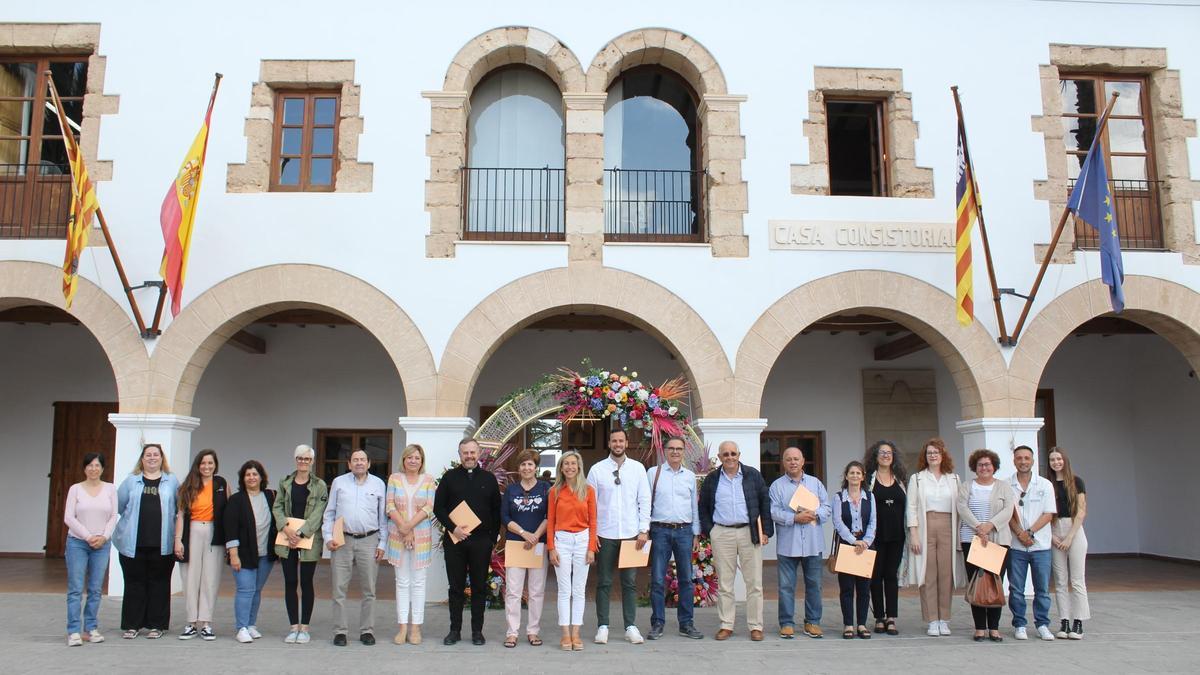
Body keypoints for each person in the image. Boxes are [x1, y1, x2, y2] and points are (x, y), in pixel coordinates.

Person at [700, 440, 773, 642]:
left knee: (755, 583)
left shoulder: (753, 475)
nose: (730, 457)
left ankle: (756, 626)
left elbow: (764, 502)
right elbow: (703, 507)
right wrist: (711, 531)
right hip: (722, 533)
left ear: (739, 455)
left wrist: (765, 530)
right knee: (725, 583)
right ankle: (726, 625)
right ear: (720, 456)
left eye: (733, 453)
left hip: (749, 533)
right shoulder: (712, 479)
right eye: (725, 454)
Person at [434, 438, 502, 647]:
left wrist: (491, 539)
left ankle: (477, 631)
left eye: (473, 452)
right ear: (460, 454)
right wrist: (454, 528)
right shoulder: (449, 478)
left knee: (479, 587)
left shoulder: (489, 479)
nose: (469, 456)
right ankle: (454, 630)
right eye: (465, 453)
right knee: (455, 587)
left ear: (479, 453)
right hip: (455, 540)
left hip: (481, 542)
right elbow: (439, 508)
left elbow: (496, 511)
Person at [586, 428, 651, 645]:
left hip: (632, 535)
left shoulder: (638, 469)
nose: (617, 444)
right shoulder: (597, 470)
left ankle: (630, 626)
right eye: (614, 440)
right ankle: (602, 626)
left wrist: (643, 529)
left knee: (630, 582)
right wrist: (592, 534)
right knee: (603, 581)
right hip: (605, 534)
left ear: (626, 442)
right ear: (609, 443)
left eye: (621, 440)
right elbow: (590, 504)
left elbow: (644, 499)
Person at [322, 448, 388, 646]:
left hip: (370, 540)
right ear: (349, 464)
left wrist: (382, 543)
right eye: (355, 460)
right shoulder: (339, 483)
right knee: (339, 588)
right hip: (342, 540)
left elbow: (382, 517)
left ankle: (367, 630)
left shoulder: (378, 484)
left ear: (369, 463)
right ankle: (340, 632)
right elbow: (329, 513)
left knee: (369, 589)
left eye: (362, 460)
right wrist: (327, 537)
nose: (359, 463)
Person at [114, 443, 179, 640]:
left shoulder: (172, 481)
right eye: (148, 455)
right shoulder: (131, 481)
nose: (152, 458)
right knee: (134, 584)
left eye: (156, 455)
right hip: (133, 544)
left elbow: (179, 508)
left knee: (159, 584)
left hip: (162, 545)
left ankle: (156, 625)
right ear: (142, 459)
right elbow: (119, 505)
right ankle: (132, 625)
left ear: (162, 458)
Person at [646, 436, 704, 640]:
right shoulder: (653, 473)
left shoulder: (689, 476)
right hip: (660, 530)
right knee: (658, 579)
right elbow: (645, 503)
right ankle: (658, 623)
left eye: (679, 449)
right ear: (664, 450)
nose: (675, 452)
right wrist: (645, 529)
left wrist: (696, 532)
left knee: (686, 580)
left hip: (684, 532)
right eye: (671, 448)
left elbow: (693, 506)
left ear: (683, 451)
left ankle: (686, 623)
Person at [769, 446, 829, 640]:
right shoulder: (777, 486)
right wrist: (795, 518)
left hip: (813, 544)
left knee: (815, 585)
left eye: (796, 458)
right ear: (783, 462)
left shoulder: (815, 484)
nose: (793, 462)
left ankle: (813, 622)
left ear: (803, 461)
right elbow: (773, 512)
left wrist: (813, 514)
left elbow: (827, 507)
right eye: (789, 459)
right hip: (788, 545)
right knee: (786, 586)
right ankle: (786, 623)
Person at [905, 437, 961, 637]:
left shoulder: (953, 479)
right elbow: (911, 507)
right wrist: (914, 534)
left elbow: (960, 506)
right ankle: (932, 619)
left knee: (946, 574)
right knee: (928, 574)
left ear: (943, 455)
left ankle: (944, 619)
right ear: (925, 456)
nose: (933, 456)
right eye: (929, 453)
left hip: (948, 526)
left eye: (936, 452)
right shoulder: (917, 479)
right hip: (925, 526)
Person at [957, 449, 1015, 642]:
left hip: (997, 540)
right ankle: (980, 627)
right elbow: (962, 507)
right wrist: (978, 527)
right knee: (976, 582)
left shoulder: (1004, 487)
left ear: (994, 467)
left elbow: (1008, 510)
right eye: (980, 464)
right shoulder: (967, 486)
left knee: (994, 583)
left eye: (988, 464)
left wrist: (989, 526)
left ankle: (995, 628)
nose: (984, 468)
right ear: (975, 467)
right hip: (972, 541)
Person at [273, 444, 328, 645]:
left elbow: (319, 512)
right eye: (300, 458)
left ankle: (304, 627)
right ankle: (293, 627)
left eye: (306, 459)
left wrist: (301, 532)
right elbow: (277, 506)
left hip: (308, 538)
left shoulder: (319, 485)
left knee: (306, 583)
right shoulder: (285, 482)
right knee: (289, 582)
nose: (303, 462)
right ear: (295, 460)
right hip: (286, 537)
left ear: (312, 461)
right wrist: (287, 529)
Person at [174, 449, 228, 641]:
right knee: (190, 577)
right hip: (192, 531)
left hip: (214, 532)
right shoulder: (187, 486)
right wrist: (178, 540)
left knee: (210, 578)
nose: (207, 467)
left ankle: (206, 622)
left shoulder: (221, 484)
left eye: (210, 463)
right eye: (203, 463)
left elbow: (227, 511)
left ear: (215, 465)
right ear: (198, 465)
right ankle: (190, 622)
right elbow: (180, 515)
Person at [63, 452, 117, 646]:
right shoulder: (75, 489)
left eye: (97, 465)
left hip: (102, 545)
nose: (94, 469)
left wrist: (103, 537)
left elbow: (113, 516)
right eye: (90, 465)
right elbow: (69, 517)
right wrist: (88, 536)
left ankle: (91, 628)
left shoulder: (110, 489)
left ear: (103, 468)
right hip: (78, 542)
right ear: (84, 468)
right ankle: (73, 631)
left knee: (95, 589)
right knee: (76, 588)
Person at [385, 444, 436, 646]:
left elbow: (429, 507)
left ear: (421, 461)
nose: (413, 460)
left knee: (418, 583)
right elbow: (390, 505)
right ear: (403, 460)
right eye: (409, 457)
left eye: (417, 457)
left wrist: (409, 528)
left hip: (420, 537)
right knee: (402, 582)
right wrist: (403, 528)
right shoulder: (394, 478)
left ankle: (416, 627)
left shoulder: (428, 480)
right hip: (398, 536)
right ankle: (402, 626)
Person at [546, 450, 597, 652]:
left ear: (579, 466)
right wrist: (551, 548)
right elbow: (551, 521)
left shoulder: (588, 490)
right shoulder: (555, 491)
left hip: (583, 540)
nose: (569, 467)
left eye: (573, 463)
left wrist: (591, 548)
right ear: (561, 467)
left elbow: (593, 521)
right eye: (565, 463)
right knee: (564, 590)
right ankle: (565, 633)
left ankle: (576, 632)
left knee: (579, 590)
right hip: (562, 541)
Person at [1008, 445, 1058, 641]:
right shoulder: (1006, 484)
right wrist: (1020, 533)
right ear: (1014, 460)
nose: (1023, 461)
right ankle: (1019, 624)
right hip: (1016, 545)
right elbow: (1007, 513)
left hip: (1041, 546)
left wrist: (1029, 532)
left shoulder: (1045, 484)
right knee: (1016, 589)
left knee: (1042, 589)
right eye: (1019, 458)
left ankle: (1042, 624)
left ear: (1033, 460)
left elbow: (1048, 514)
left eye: (1026, 458)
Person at [500, 450, 550, 648]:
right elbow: (504, 517)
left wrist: (536, 536)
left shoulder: (545, 488)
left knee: (537, 591)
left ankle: (533, 631)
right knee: (513, 591)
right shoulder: (511, 490)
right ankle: (512, 632)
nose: (527, 468)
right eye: (523, 465)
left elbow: (549, 515)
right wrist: (524, 533)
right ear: (518, 468)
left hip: (538, 544)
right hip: (516, 544)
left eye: (530, 464)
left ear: (536, 467)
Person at [224, 460, 277, 643]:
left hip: (265, 554)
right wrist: (233, 554)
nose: (252, 477)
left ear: (261, 477)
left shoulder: (271, 496)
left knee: (256, 590)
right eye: (248, 475)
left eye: (255, 474)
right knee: (245, 589)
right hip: (243, 554)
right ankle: (241, 628)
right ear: (242, 478)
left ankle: (251, 624)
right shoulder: (236, 500)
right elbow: (229, 528)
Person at [863, 440, 907, 635]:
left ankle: (891, 617)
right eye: (882, 452)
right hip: (875, 536)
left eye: (889, 452)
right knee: (875, 577)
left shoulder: (901, 479)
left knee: (891, 576)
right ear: (875, 456)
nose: (886, 455)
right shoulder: (868, 480)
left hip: (897, 535)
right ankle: (879, 617)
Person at [832, 461, 876, 640]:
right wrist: (853, 541)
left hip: (866, 547)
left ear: (863, 476)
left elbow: (873, 521)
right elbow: (837, 522)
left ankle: (862, 624)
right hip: (847, 546)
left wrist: (865, 541)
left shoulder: (870, 497)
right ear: (846, 476)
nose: (855, 476)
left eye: (858, 473)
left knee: (864, 589)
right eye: (852, 473)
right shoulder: (838, 497)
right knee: (847, 588)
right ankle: (848, 624)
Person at [1049, 447, 1089, 640]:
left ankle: (1078, 622)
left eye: (1058, 459)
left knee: (1077, 579)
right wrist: (1052, 536)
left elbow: (1081, 511)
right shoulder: (1048, 484)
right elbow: (1045, 512)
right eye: (1052, 460)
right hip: (1055, 529)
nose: (1056, 462)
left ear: (1064, 460)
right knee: (1060, 580)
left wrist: (1070, 537)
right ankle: (1064, 621)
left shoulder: (1076, 481)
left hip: (1074, 529)